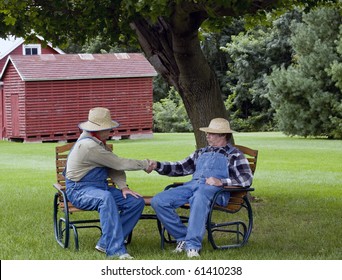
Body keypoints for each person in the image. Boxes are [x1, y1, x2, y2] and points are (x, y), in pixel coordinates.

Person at [150, 118, 253, 258]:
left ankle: (193, 246)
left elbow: (246, 178)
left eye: (211, 133)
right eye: (208, 133)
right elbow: (180, 167)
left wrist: (221, 181)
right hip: (193, 186)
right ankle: (183, 238)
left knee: (199, 196)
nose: (207, 135)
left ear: (223, 135)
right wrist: (158, 165)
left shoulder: (235, 155)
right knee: (159, 200)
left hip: (215, 192)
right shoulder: (200, 152)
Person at [64, 107, 153, 260]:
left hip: (99, 188)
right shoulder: (89, 146)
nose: (111, 131)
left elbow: (112, 165)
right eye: (109, 128)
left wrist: (124, 187)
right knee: (105, 198)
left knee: (135, 202)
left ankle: (106, 242)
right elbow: (118, 163)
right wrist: (145, 164)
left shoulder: (98, 142)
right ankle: (115, 250)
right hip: (79, 190)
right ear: (100, 129)